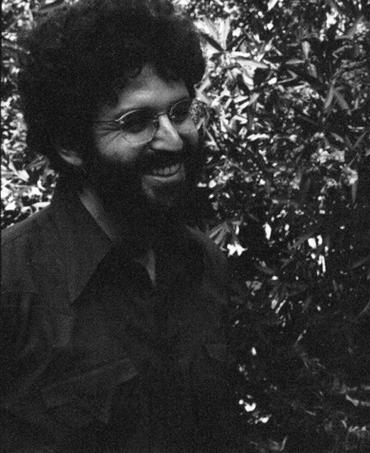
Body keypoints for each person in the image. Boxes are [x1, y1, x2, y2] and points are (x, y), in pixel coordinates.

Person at [1, 0, 239, 450]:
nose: (171, 139)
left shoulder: (203, 264)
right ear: (71, 144)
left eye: (181, 111)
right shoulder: (13, 288)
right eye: (138, 121)